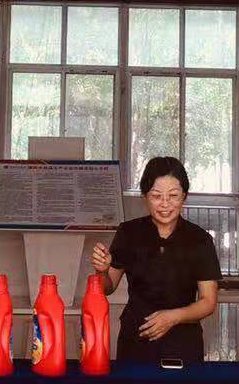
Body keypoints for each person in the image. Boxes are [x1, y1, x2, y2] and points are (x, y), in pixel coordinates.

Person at [90, 156, 221, 365]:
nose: (165, 204)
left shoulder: (200, 239)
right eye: (156, 196)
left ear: (184, 196)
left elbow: (208, 301)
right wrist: (102, 270)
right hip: (135, 340)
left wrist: (172, 317)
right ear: (145, 197)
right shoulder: (129, 232)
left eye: (173, 196)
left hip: (183, 342)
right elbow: (108, 287)